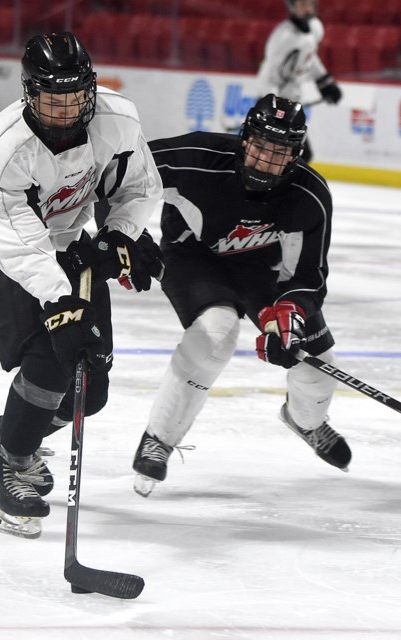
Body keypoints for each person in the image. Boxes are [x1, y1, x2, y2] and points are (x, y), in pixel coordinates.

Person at [0, 32, 164, 537]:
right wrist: (61, 300)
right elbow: (20, 246)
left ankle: (14, 429)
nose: (66, 107)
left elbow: (137, 188)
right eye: (52, 96)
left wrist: (119, 237)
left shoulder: (119, 121)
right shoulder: (1, 152)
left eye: (74, 93)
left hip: (67, 239)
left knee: (90, 389)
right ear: (29, 93)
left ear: (90, 88)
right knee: (51, 354)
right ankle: (9, 466)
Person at [131, 94, 351, 498]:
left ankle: (306, 420)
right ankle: (159, 438)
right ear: (245, 138)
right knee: (216, 334)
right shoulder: (194, 157)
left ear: (296, 154)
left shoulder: (309, 195)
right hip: (193, 258)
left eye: (280, 152)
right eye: (261, 147)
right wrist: (129, 235)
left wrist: (290, 314)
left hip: (262, 273)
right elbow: (121, 174)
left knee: (317, 363)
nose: (267, 161)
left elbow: (307, 276)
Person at [256, 0, 342, 163]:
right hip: (275, 103)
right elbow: (269, 76)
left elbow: (309, 56)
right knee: (287, 157)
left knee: (298, 156)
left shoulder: (315, 27)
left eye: (310, 4)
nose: (308, 8)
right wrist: (274, 107)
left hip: (292, 101)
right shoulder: (283, 38)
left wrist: (324, 82)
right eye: (302, 5)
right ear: (292, 7)